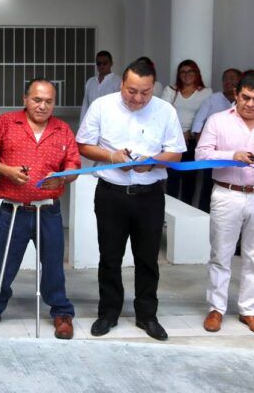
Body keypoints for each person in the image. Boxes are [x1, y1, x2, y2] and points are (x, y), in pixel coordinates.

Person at [77, 59, 185, 341]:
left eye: (145, 92)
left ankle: (147, 315)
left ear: (153, 88)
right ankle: (108, 312)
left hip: (149, 196)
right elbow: (84, 144)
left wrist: (152, 162)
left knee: (148, 258)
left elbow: (176, 154)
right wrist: (113, 157)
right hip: (111, 194)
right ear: (122, 83)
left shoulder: (165, 111)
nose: (137, 98)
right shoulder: (102, 106)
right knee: (110, 257)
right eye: (132, 91)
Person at [0, 79, 80, 339]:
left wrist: (63, 177)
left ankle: (61, 313)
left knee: (53, 264)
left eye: (49, 101)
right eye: (37, 100)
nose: (42, 106)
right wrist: (6, 170)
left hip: (48, 211)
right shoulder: (6, 123)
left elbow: (74, 164)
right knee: (2, 263)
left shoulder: (63, 129)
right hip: (15, 210)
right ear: (25, 99)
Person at [195, 70, 254, 335]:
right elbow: (201, 155)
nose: (250, 104)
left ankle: (249, 311)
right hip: (227, 193)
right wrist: (231, 155)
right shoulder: (218, 121)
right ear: (236, 94)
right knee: (221, 254)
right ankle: (216, 308)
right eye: (246, 97)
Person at [192, 68, 243, 213]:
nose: (228, 82)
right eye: (225, 78)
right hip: (214, 155)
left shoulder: (249, 108)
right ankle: (203, 215)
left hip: (241, 163)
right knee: (208, 188)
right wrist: (204, 149)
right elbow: (198, 125)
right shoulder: (213, 99)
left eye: (233, 78)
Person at [162, 60, 212, 205]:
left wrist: (190, 133)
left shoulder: (206, 92)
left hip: (192, 141)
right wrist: (178, 134)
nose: (187, 75)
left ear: (196, 73)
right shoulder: (171, 90)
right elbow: (163, 114)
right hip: (172, 141)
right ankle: (170, 212)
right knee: (172, 178)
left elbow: (207, 117)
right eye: (183, 72)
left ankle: (187, 215)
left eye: (190, 71)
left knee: (190, 180)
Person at [79, 50, 120, 124]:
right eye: (99, 63)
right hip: (92, 123)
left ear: (111, 63)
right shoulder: (90, 82)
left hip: (110, 123)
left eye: (105, 63)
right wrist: (82, 124)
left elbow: (119, 106)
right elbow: (85, 104)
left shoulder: (117, 81)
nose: (101, 66)